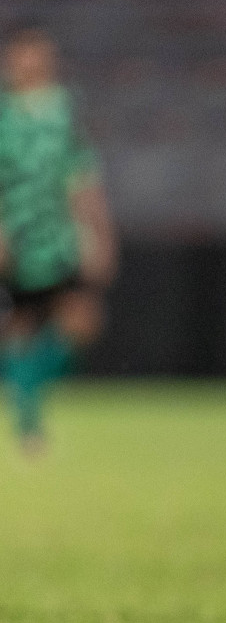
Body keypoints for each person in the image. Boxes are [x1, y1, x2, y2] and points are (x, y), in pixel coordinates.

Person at [0, 24, 117, 455]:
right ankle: (29, 425)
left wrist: (101, 234)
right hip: (18, 237)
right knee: (21, 328)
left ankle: (25, 398)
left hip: (60, 239)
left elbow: (82, 174)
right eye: (21, 53)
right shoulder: (3, 114)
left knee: (82, 323)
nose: (29, 62)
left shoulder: (66, 109)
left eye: (37, 53)